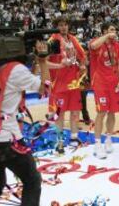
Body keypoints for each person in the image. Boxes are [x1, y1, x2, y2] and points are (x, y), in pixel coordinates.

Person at [0, 41, 50, 205]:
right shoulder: (15, 69)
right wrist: (42, 60)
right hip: (5, 138)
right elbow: (45, 89)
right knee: (32, 180)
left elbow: (24, 80)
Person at [47, 16, 86, 154]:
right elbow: (42, 62)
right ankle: (60, 142)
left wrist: (81, 65)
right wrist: (59, 65)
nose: (63, 27)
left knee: (75, 112)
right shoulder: (52, 41)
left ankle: (74, 138)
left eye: (65, 25)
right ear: (56, 27)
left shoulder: (73, 39)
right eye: (60, 25)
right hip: (59, 84)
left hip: (73, 82)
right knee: (60, 114)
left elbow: (83, 57)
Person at [89, 23, 119, 159]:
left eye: (114, 29)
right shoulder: (98, 43)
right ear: (104, 31)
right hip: (100, 84)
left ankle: (108, 139)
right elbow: (93, 46)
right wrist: (106, 36)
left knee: (112, 112)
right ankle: (97, 143)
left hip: (114, 83)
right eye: (111, 29)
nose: (114, 32)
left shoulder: (117, 45)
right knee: (101, 112)